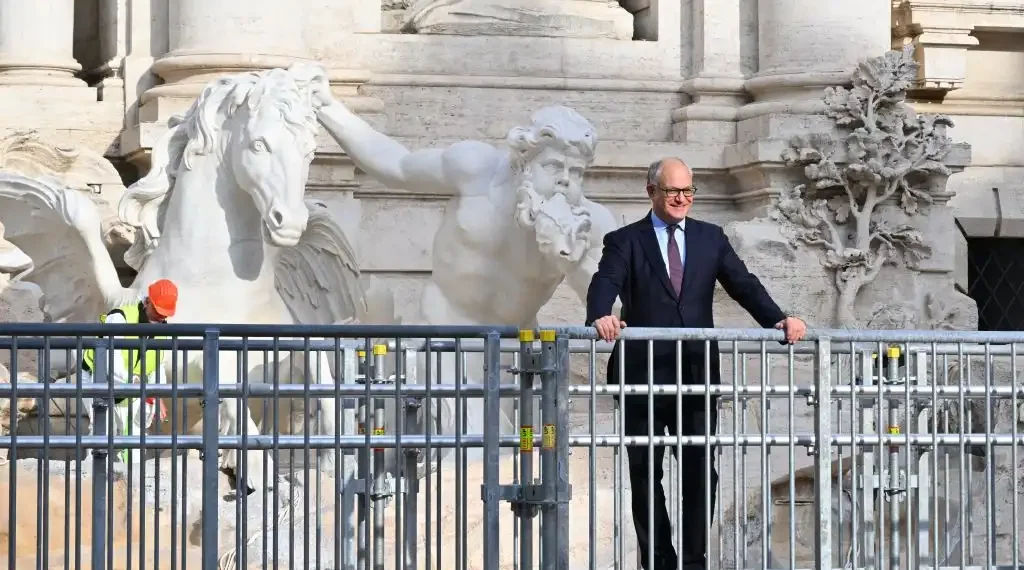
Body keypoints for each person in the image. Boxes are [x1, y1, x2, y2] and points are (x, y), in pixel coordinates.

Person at [585, 157, 807, 570]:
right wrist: (601, 314)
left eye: (688, 191)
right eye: (673, 191)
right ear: (651, 191)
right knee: (645, 473)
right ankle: (659, 560)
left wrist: (779, 318)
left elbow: (743, 284)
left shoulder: (711, 238)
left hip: (697, 374)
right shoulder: (625, 240)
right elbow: (605, 282)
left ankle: (693, 560)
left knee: (701, 473)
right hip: (641, 374)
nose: (681, 199)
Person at [80, 279, 177, 462]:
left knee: (135, 431)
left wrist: (157, 393)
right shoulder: (119, 318)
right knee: (103, 428)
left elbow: (156, 364)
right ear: (147, 302)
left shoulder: (162, 329)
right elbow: (112, 363)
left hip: (131, 382)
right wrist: (139, 387)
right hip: (97, 377)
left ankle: (132, 479)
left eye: (165, 314)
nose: (162, 317)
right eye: (158, 311)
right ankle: (95, 479)